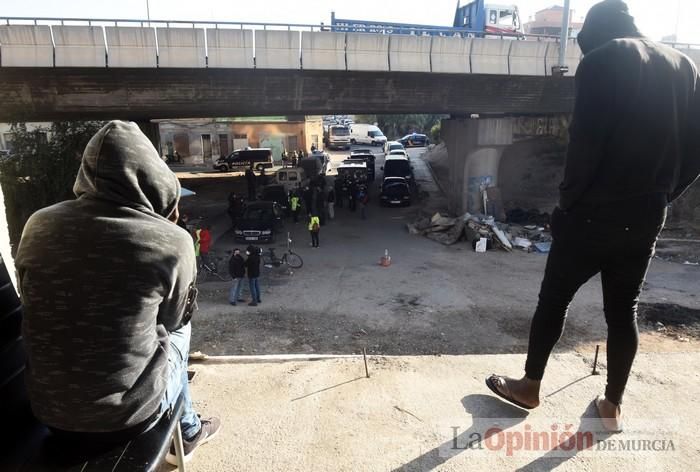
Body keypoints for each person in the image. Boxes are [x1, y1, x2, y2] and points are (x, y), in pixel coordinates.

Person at [486, 0, 700, 433]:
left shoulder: (605, 59)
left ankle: (530, 386)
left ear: (594, 34)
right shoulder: (686, 67)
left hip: (592, 212)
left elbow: (585, 143)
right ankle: (612, 406)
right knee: (624, 311)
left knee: (555, 299)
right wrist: (664, 194)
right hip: (647, 213)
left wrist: (565, 205)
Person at [15, 121, 220, 465]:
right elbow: (172, 319)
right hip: (126, 420)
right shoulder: (171, 241)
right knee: (179, 332)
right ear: (155, 175)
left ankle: (186, 429)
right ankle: (185, 432)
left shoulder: (39, 224)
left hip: (48, 411)